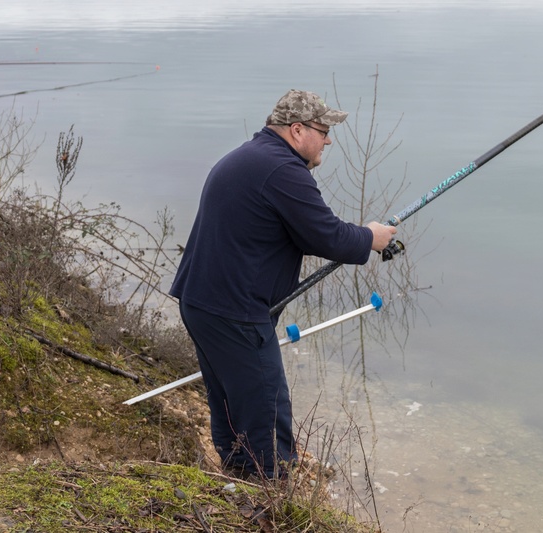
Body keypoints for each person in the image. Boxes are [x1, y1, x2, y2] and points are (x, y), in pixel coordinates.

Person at [169, 89, 397, 479]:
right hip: (235, 313)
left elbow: (305, 234)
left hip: (202, 302)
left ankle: (236, 480)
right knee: (264, 408)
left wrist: (358, 237)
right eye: (323, 130)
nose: (328, 139)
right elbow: (327, 236)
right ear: (296, 130)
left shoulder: (250, 157)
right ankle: (265, 495)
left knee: (229, 400)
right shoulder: (282, 171)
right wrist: (370, 237)